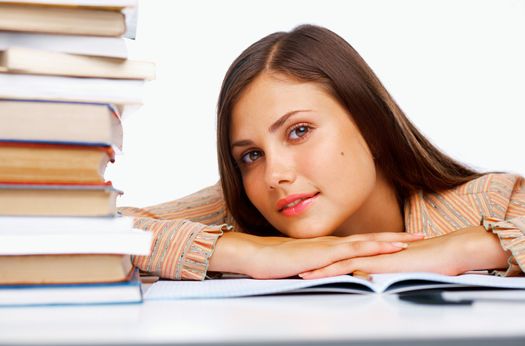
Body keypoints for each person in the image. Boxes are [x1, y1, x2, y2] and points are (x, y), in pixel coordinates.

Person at [119, 24, 525, 281]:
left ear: (372, 126)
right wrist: (248, 253)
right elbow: (89, 230)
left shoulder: (488, 203)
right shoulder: (238, 216)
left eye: (299, 131)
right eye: (251, 156)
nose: (274, 175)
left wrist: (466, 248)